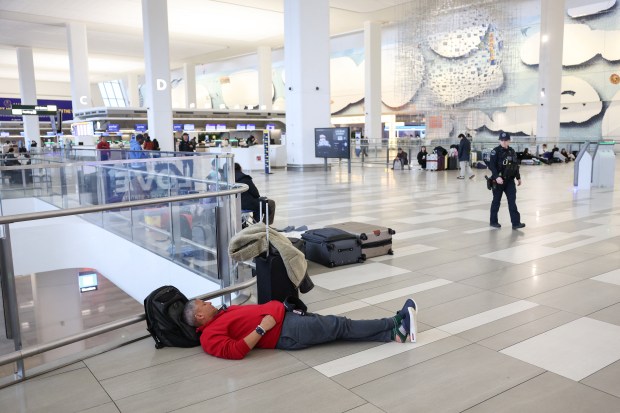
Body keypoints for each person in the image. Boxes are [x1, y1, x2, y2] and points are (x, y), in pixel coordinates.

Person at [183, 298, 418, 360]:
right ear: (200, 315)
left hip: (285, 319)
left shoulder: (221, 314)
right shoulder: (209, 336)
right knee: (339, 325)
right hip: (285, 330)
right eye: (205, 304)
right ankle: (393, 324)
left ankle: (391, 334)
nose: (210, 303)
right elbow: (234, 351)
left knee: (337, 327)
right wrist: (262, 328)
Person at [488, 132, 525, 230]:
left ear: (509, 141)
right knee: (496, 202)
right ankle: (493, 221)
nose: (504, 142)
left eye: (505, 140)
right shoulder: (495, 151)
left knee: (512, 201)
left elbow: (515, 166)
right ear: (500, 140)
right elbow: (492, 165)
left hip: (509, 181)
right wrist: (496, 177)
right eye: (502, 140)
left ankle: (516, 223)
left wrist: (518, 177)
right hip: (499, 181)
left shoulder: (512, 151)